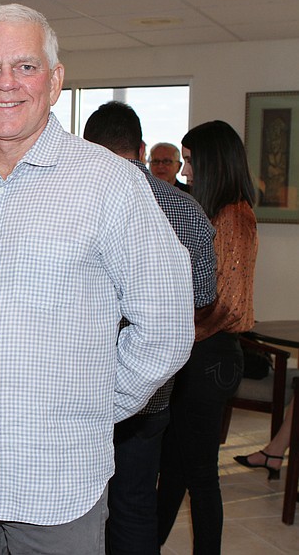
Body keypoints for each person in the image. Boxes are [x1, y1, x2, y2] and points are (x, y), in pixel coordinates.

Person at [0, 3, 194, 555]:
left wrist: (93, 406)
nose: (5, 83)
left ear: (56, 81)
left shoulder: (110, 183)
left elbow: (167, 324)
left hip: (57, 485)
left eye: (26, 66)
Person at [83, 101, 217, 555]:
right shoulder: (185, 208)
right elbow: (204, 295)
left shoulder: (73, 202)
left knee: (75, 507)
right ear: (140, 149)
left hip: (77, 385)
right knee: (135, 504)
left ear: (87, 147)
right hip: (151, 388)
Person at [157, 120, 258, 553]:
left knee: (199, 475)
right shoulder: (221, 212)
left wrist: (177, 336)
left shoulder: (233, 216)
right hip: (203, 355)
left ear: (214, 161)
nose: (186, 170)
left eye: (191, 160)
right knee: (175, 468)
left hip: (210, 356)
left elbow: (226, 304)